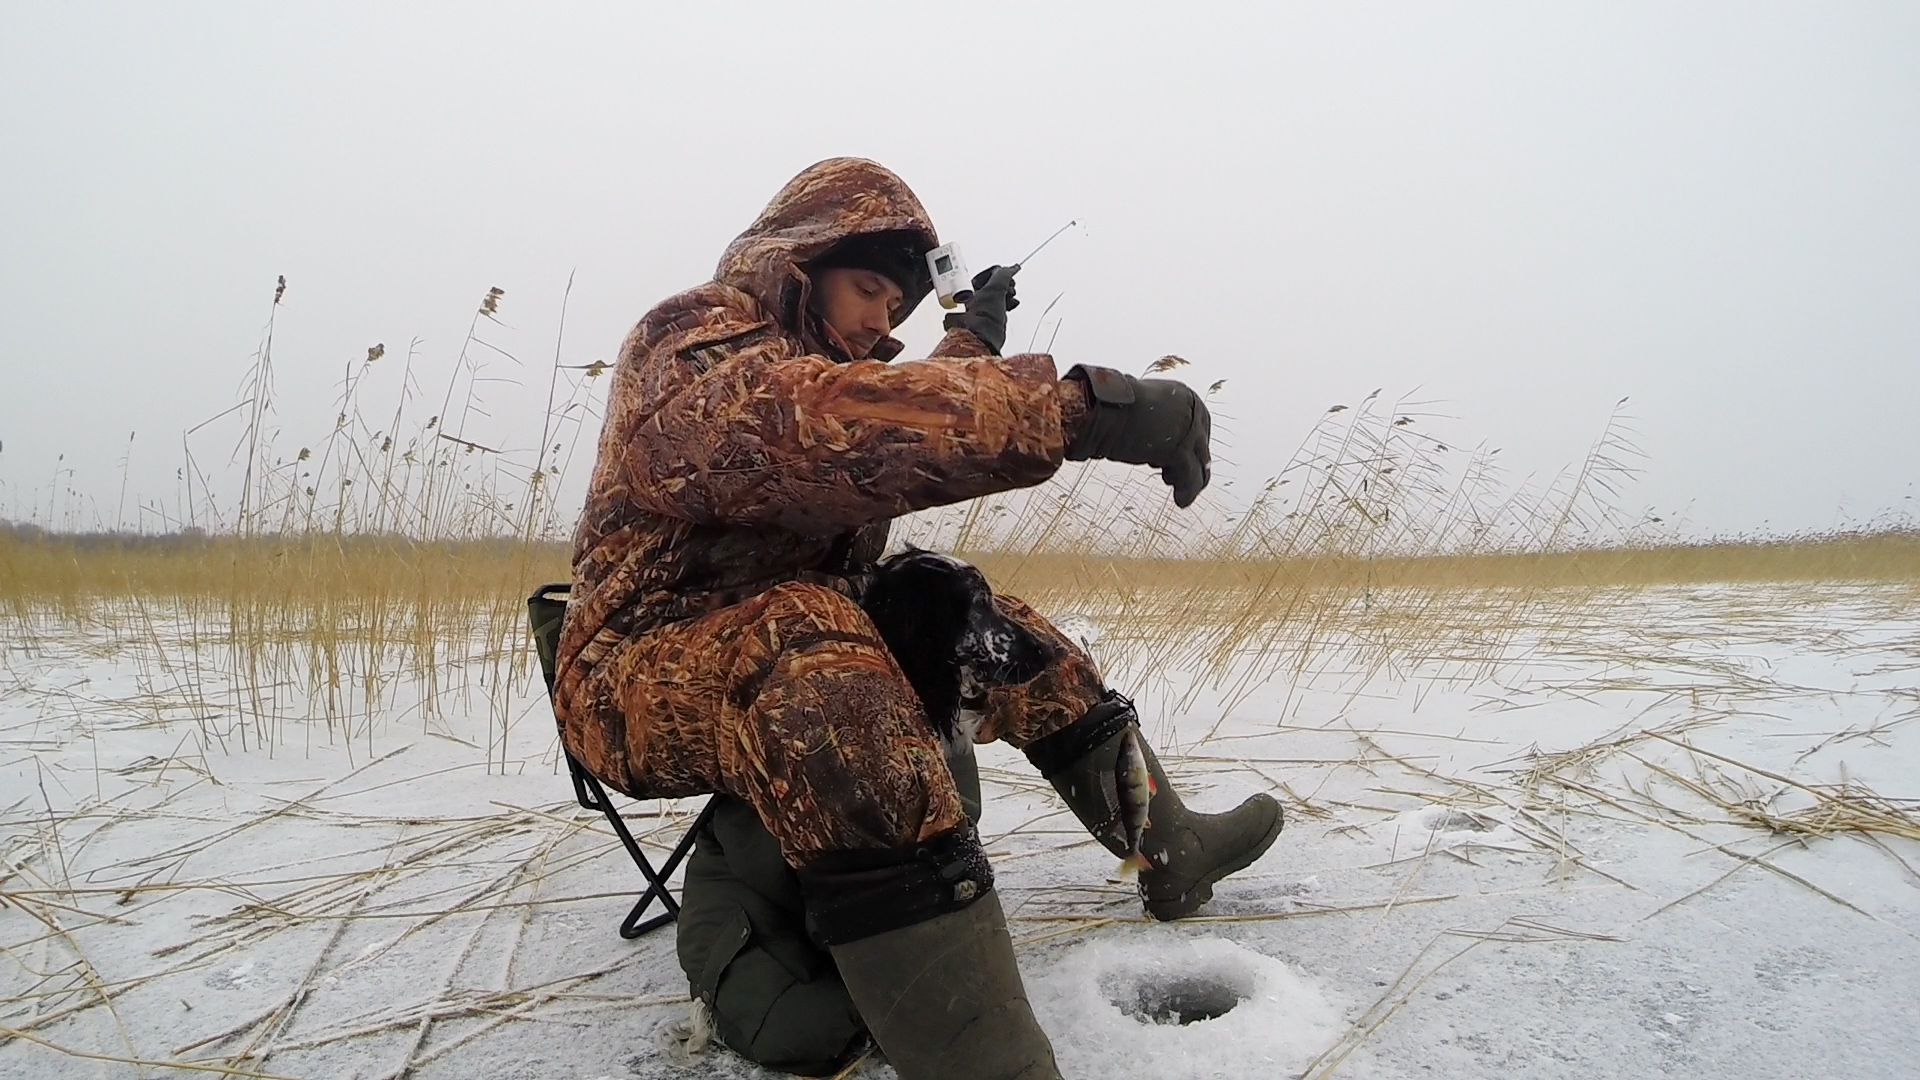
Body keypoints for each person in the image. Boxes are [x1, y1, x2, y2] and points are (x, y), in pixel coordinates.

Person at [554, 158, 1282, 1079]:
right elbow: (802, 428)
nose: (878, 322)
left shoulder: (832, 369)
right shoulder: (692, 333)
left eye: (896, 309)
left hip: (794, 640)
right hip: (634, 671)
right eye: (866, 290)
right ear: (796, 264)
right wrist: (1085, 412)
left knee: (991, 629)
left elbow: (886, 408)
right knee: (814, 656)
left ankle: (1168, 844)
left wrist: (973, 336)